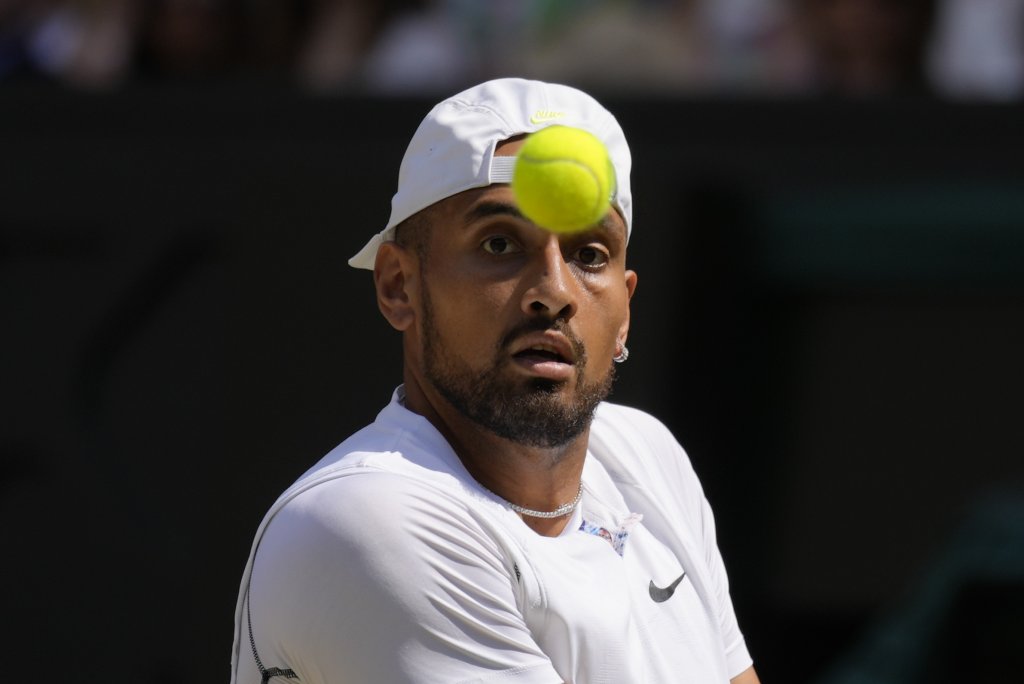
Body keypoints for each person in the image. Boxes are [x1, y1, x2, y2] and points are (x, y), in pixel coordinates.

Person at [230, 77, 759, 684]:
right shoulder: (368, 520)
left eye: (589, 254)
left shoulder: (645, 457)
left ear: (625, 313)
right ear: (399, 285)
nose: (554, 292)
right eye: (501, 243)